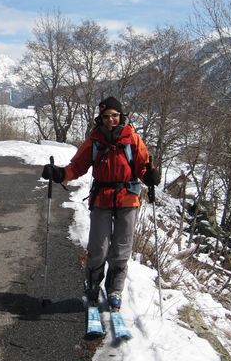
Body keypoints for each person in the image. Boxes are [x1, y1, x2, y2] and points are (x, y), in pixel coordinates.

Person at [41, 96, 160, 311]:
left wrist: (151, 176)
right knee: (98, 248)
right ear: (101, 118)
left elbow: (143, 167)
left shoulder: (132, 139)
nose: (110, 120)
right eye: (106, 117)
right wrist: (59, 173)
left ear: (121, 116)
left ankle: (115, 290)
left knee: (121, 249)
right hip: (102, 198)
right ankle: (93, 285)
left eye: (114, 116)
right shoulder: (94, 140)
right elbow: (77, 166)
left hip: (128, 197)